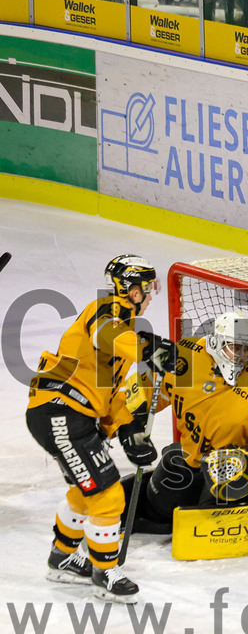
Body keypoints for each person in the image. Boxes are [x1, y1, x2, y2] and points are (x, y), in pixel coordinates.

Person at [26, 254, 176, 602]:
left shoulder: (126, 331)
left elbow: (110, 396)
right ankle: (104, 571)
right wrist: (147, 347)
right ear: (131, 288)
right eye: (148, 287)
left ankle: (62, 557)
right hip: (59, 411)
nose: (151, 294)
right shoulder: (105, 311)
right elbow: (104, 335)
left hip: (74, 415)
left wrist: (128, 431)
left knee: (85, 490)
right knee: (108, 494)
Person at [120, 309, 248, 534]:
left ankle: (226, 514)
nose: (240, 356)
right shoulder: (186, 357)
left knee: (223, 484)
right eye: (235, 347)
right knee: (167, 483)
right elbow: (145, 387)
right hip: (192, 460)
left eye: (246, 349)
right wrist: (128, 423)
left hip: (235, 469)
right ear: (216, 342)